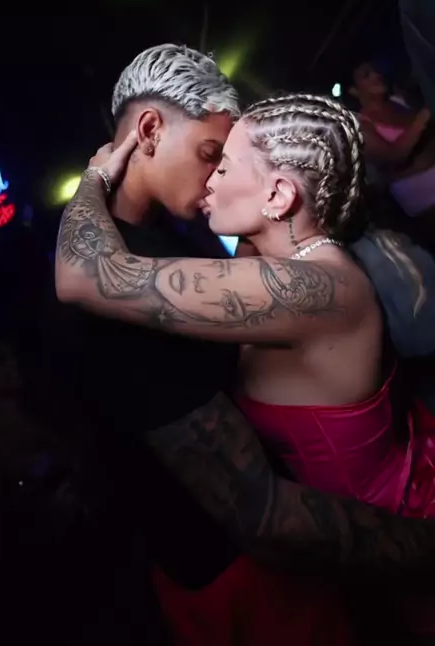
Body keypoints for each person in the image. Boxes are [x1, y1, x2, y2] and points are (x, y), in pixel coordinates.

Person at [56, 86, 435, 637]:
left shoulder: (313, 288)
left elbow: (81, 275)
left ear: (278, 195)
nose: (208, 179)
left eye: (225, 165)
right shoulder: (280, 260)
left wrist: (95, 176)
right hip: (362, 557)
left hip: (409, 542)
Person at [346, 62, 435, 247]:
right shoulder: (362, 125)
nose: (377, 75)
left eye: (376, 70)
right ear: (354, 90)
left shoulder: (399, 101)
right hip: (425, 195)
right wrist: (422, 119)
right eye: (367, 75)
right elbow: (393, 156)